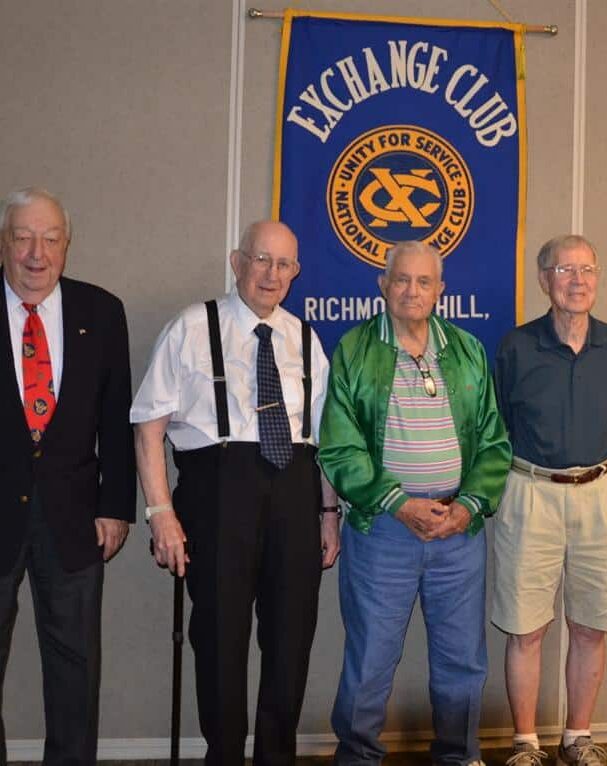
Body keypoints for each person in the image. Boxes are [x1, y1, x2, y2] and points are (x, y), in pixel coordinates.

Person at [131, 220, 339, 766]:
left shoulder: (307, 340)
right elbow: (148, 426)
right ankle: (223, 754)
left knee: (291, 638)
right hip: (217, 492)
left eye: (284, 265)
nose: (271, 275)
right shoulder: (190, 328)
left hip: (295, 492)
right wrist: (160, 514)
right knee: (220, 638)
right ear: (236, 260)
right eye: (261, 259)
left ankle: (276, 757)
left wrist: (328, 513)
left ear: (296, 272)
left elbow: (322, 438)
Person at [319, 240, 511, 766]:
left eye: (424, 282)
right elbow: (339, 446)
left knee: (462, 661)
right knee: (371, 661)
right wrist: (399, 503)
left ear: (440, 291)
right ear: (383, 286)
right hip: (383, 530)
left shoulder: (468, 350)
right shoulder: (354, 350)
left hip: (457, 533)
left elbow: (494, 442)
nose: (412, 290)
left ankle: (459, 754)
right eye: (402, 280)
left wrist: (468, 506)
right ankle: (357, 758)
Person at [0, 187, 135, 766]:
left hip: (75, 518)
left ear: (67, 245)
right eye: (24, 237)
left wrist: (116, 506)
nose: (38, 253)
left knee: (75, 672)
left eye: (51, 239)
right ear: (4, 243)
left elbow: (116, 417)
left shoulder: (101, 312)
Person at [493, 234, 607, 766]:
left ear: (597, 278)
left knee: (590, 625)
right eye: (564, 270)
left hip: (600, 496)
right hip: (530, 493)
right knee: (526, 627)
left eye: (587, 270)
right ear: (543, 280)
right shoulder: (515, 347)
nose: (577, 281)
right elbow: (499, 428)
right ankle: (525, 744)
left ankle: (578, 737)